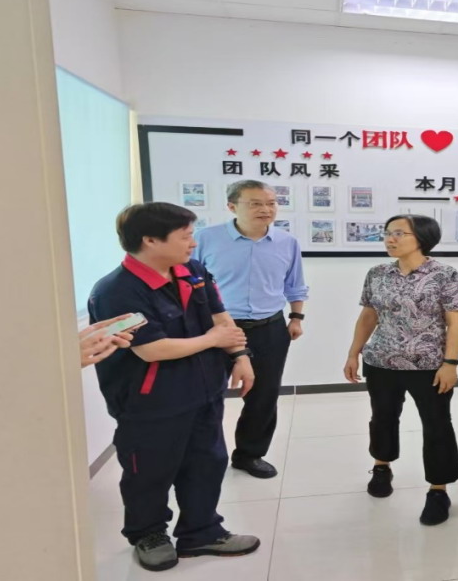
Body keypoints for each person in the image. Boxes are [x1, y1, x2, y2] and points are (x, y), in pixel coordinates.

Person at [88, 202, 260, 572]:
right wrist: (214, 340)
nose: (193, 243)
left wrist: (240, 354)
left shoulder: (191, 271)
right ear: (150, 240)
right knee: (149, 472)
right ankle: (149, 535)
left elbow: (220, 316)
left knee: (207, 462)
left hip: (204, 391)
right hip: (150, 402)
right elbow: (151, 350)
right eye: (185, 236)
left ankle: (202, 532)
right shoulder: (116, 291)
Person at [343, 214, 458, 526]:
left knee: (437, 424)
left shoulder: (445, 275)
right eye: (387, 233)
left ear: (422, 238)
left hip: (429, 365)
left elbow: (455, 323)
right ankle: (381, 467)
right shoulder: (378, 273)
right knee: (382, 417)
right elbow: (368, 316)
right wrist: (354, 352)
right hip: (381, 361)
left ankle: (438, 490)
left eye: (399, 233)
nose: (390, 239)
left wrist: (451, 364)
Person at [193, 180, 309, 479]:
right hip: (217, 329)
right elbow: (187, 283)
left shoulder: (287, 242)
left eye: (271, 203)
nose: (265, 209)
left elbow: (295, 284)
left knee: (263, 396)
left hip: (269, 328)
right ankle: (202, 456)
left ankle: (249, 454)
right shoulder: (206, 238)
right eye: (255, 203)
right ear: (232, 206)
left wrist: (296, 318)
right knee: (206, 394)